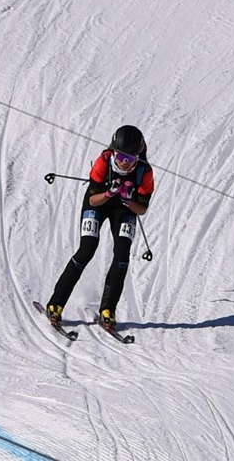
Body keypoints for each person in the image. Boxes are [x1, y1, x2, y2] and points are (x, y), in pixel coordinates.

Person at [46, 125, 155, 331]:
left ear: (138, 156)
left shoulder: (144, 172)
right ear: (113, 150)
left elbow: (141, 210)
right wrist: (109, 194)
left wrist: (127, 200)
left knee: (122, 254)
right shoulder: (104, 161)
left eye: (130, 159)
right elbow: (93, 201)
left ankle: (108, 310)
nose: (124, 162)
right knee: (87, 249)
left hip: (124, 209)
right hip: (99, 202)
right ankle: (56, 303)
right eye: (121, 156)